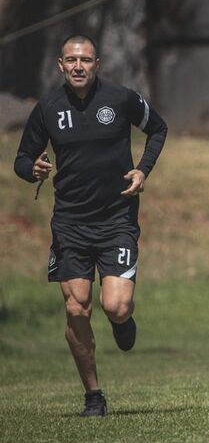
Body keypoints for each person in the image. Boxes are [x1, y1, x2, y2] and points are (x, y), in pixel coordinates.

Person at [14, 34, 167, 416]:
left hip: (117, 219)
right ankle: (93, 395)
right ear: (61, 66)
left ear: (97, 64)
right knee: (76, 307)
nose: (78, 66)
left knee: (114, 305)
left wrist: (142, 170)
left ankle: (123, 320)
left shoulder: (120, 98)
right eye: (71, 60)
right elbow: (21, 158)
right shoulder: (48, 109)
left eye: (85, 60)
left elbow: (158, 129)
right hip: (71, 223)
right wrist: (32, 168)